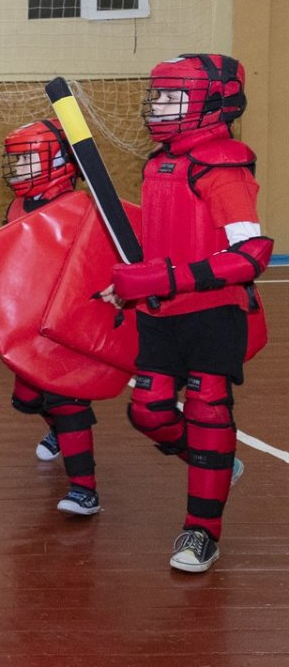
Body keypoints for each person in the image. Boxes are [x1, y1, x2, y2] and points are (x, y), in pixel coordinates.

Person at [101, 54, 272, 573]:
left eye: (170, 96)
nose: (158, 106)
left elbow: (250, 256)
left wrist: (160, 278)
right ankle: (215, 461)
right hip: (160, 314)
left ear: (214, 102)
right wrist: (128, 285)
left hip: (212, 313)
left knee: (208, 411)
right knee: (147, 410)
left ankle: (202, 532)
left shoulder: (224, 164)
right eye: (156, 96)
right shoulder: (159, 162)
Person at [1, 119, 101, 515]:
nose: (18, 168)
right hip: (31, 322)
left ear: (57, 159)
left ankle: (85, 488)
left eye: (25, 159)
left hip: (68, 322)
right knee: (27, 397)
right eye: (15, 160)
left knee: (67, 400)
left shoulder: (79, 208)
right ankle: (60, 431)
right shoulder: (18, 205)